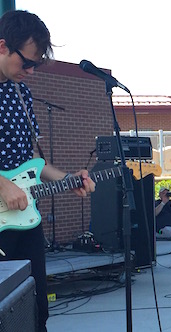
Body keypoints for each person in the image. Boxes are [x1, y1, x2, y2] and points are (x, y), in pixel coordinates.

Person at [0, 10, 96, 332]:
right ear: (2, 46)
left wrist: (68, 180)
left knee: (35, 307)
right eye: (26, 62)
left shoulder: (21, 94)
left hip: (26, 218)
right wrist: (2, 184)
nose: (30, 70)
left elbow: (33, 164)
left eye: (35, 64)